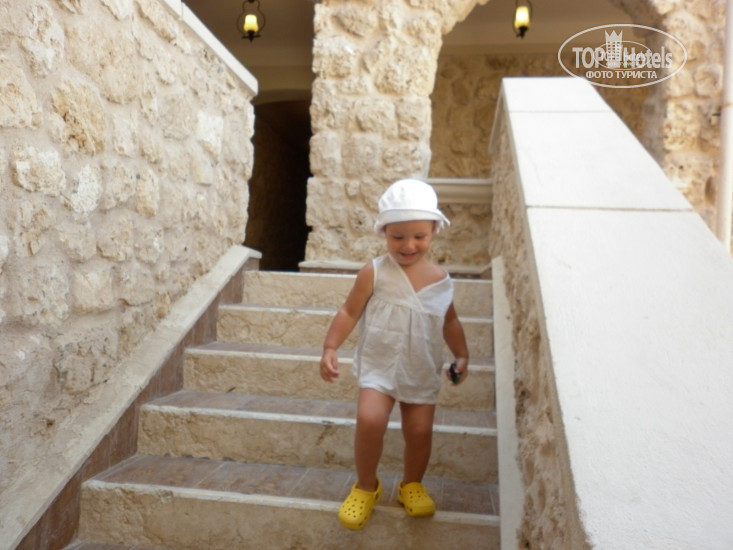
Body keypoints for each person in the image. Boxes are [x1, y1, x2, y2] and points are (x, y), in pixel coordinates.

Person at [319, 178, 470, 530]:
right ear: (384, 232)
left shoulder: (441, 281)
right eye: (398, 236)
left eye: (419, 236)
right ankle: (366, 486)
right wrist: (330, 347)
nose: (408, 245)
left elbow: (450, 321)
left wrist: (461, 355)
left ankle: (411, 484)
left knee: (419, 431)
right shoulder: (374, 272)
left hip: (420, 367)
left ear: (433, 231)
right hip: (380, 363)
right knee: (370, 420)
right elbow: (349, 312)